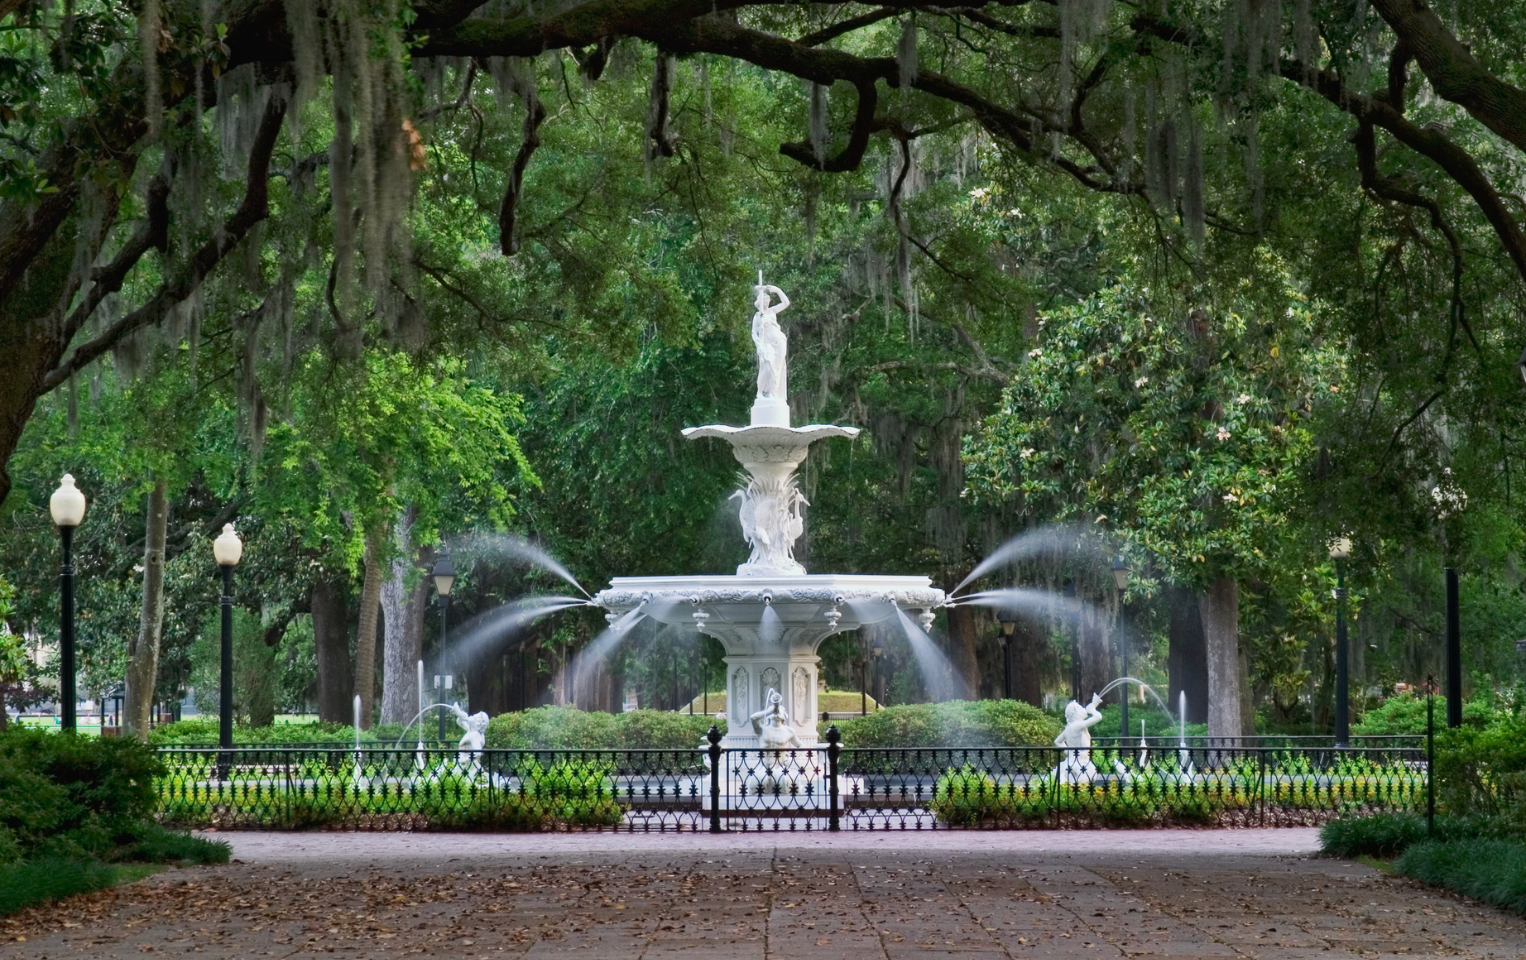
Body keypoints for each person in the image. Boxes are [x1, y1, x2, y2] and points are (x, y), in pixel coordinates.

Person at [751, 275, 790, 401]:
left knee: (777, 368)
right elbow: (753, 333)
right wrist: (758, 344)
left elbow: (786, 303)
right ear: (760, 303)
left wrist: (777, 290)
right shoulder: (757, 316)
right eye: (765, 301)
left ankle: (773, 392)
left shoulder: (772, 311)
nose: (767, 303)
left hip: (779, 341)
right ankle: (761, 391)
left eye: (768, 301)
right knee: (767, 366)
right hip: (766, 343)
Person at [1053, 693, 1104, 784]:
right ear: (1076, 712)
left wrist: (1069, 752)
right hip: (1082, 763)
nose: (1083, 709)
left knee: (1072, 789)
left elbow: (1057, 741)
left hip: (1070, 761)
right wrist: (1092, 710)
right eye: (1081, 708)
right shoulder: (1079, 725)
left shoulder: (1068, 728)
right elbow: (1098, 717)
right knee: (1082, 789)